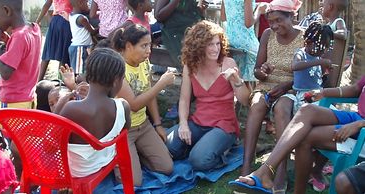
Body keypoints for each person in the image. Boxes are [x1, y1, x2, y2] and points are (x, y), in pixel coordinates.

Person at [233, 75, 365, 194]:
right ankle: (265, 172)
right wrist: (323, 92)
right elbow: (355, 89)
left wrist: (359, 125)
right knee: (307, 110)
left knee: (302, 135)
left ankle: (266, 174)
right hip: (357, 117)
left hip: (361, 127)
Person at [166, 20, 251, 171]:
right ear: (198, 46)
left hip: (223, 126)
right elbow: (184, 100)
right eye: (210, 44)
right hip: (198, 122)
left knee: (199, 161)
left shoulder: (228, 63)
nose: (215, 49)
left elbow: (245, 101)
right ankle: (199, 147)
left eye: (218, 43)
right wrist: (183, 124)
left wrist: (237, 80)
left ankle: (221, 150)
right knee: (167, 146)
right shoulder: (190, 66)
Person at [240, 0, 304, 192]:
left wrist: (287, 85)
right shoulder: (268, 35)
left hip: (293, 86)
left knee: (282, 108)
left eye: (279, 20)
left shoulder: (303, 37)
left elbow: (310, 73)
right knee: (257, 104)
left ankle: (280, 170)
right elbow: (257, 70)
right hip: (267, 85)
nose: (274, 26)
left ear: (292, 17)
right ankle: (246, 166)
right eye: (271, 21)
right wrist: (263, 71)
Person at [111, 24, 175, 186]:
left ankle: (136, 155)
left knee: (167, 168)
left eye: (150, 45)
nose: (149, 51)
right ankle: (118, 156)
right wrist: (161, 84)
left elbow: (149, 95)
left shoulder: (144, 63)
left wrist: (158, 124)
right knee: (133, 182)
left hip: (143, 125)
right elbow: (134, 105)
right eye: (144, 46)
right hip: (123, 132)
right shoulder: (118, 69)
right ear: (128, 46)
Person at [59, 48, 131, 179]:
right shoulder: (123, 107)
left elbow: (52, 143)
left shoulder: (71, 109)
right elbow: (124, 131)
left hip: (74, 171)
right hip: (103, 161)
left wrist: (65, 99)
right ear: (116, 80)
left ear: (88, 75)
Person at [0, 0, 42, 109]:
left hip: (14, 103)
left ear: (7, 11)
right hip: (28, 99)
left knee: (7, 127)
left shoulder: (19, 37)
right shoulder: (34, 28)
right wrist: (8, 40)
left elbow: (5, 72)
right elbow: (24, 53)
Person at [291, 22, 334, 113]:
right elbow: (295, 66)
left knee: (334, 112)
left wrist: (326, 70)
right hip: (304, 96)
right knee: (325, 112)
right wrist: (320, 61)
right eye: (322, 46)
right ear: (309, 42)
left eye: (327, 47)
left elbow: (317, 76)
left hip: (318, 94)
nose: (325, 50)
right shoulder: (301, 54)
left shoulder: (318, 57)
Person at [154, 0, 205, 69]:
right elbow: (158, 16)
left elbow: (198, 17)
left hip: (192, 37)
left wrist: (201, 10)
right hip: (173, 37)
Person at [221, 0, 261, 87]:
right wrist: (260, 10)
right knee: (262, 57)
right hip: (246, 41)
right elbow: (248, 23)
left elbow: (223, 18)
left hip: (229, 40)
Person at [36, 0, 73, 81]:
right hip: (67, 20)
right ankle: (61, 83)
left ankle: (38, 82)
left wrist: (37, 21)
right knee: (64, 55)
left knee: (47, 54)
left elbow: (47, 4)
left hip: (55, 21)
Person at [68, 0, 98, 75]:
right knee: (79, 72)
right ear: (80, 3)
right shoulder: (81, 19)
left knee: (81, 70)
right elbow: (93, 31)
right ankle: (77, 86)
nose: (88, 5)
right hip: (80, 48)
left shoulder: (71, 15)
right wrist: (102, 27)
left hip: (79, 47)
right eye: (86, 2)